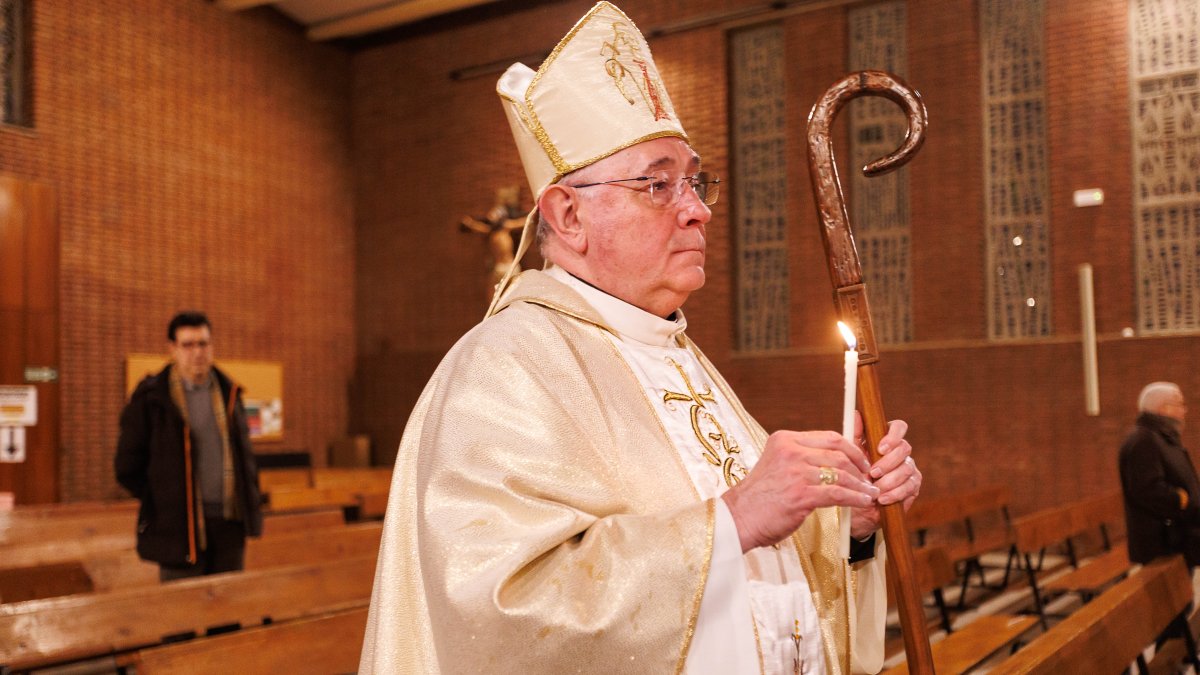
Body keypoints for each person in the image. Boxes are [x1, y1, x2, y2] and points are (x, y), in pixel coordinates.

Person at [359, 3, 921, 673]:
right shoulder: (501, 371)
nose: (698, 207)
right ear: (568, 216)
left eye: (695, 179)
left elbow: (766, 585)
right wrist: (734, 517)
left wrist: (851, 525)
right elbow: (504, 613)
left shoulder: (680, 359)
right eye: (658, 183)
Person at [114, 311, 263, 581]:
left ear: (212, 346)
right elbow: (126, 467)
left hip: (228, 524)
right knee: (179, 615)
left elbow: (245, 457)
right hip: (178, 527)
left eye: (203, 343)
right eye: (188, 344)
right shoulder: (152, 399)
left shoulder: (229, 393)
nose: (197, 352)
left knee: (227, 615)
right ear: (172, 349)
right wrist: (164, 498)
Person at [1119, 381, 1200, 566]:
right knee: (1170, 594)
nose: (1185, 410)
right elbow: (1146, 489)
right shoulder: (1143, 441)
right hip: (1161, 542)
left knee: (1183, 592)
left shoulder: (1163, 437)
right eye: (1181, 404)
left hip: (1178, 538)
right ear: (1164, 408)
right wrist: (1180, 498)